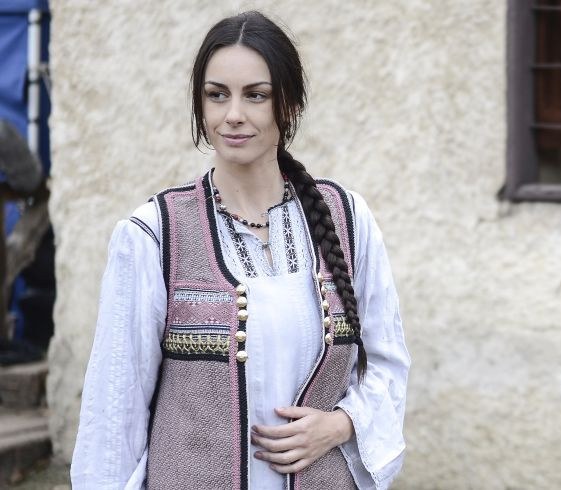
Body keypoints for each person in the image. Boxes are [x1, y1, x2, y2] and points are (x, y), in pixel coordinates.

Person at [70, 11, 410, 490]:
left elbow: (387, 364)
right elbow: (113, 409)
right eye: (217, 95)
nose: (233, 114)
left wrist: (342, 423)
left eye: (256, 95)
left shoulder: (347, 218)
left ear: (288, 104)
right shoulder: (154, 233)